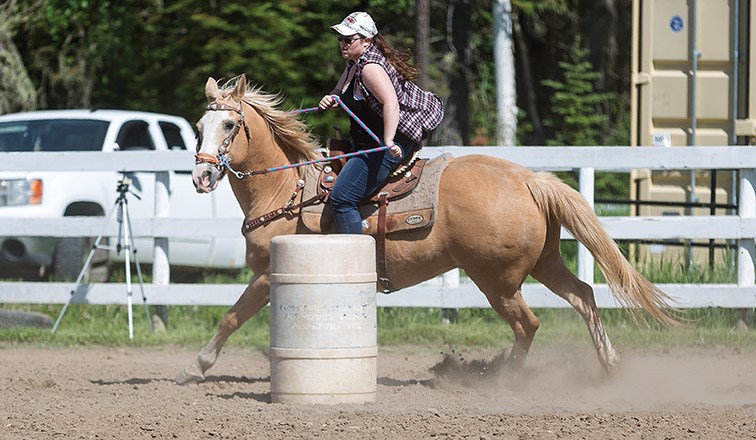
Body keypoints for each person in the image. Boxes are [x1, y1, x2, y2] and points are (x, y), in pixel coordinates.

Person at [319, 11, 444, 234]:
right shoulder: (353, 64)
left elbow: (391, 104)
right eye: (341, 39)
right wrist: (331, 98)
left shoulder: (369, 68)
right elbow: (340, 92)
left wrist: (388, 140)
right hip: (371, 142)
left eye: (349, 39)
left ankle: (357, 263)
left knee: (341, 199)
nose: (343, 44)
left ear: (367, 41)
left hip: (388, 143)